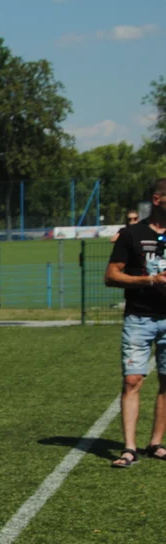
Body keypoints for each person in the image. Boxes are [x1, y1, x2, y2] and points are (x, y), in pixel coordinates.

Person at [104, 178, 166, 468]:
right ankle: (129, 448)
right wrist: (149, 280)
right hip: (139, 317)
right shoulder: (132, 234)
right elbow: (111, 276)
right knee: (132, 380)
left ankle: (156, 443)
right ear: (157, 199)